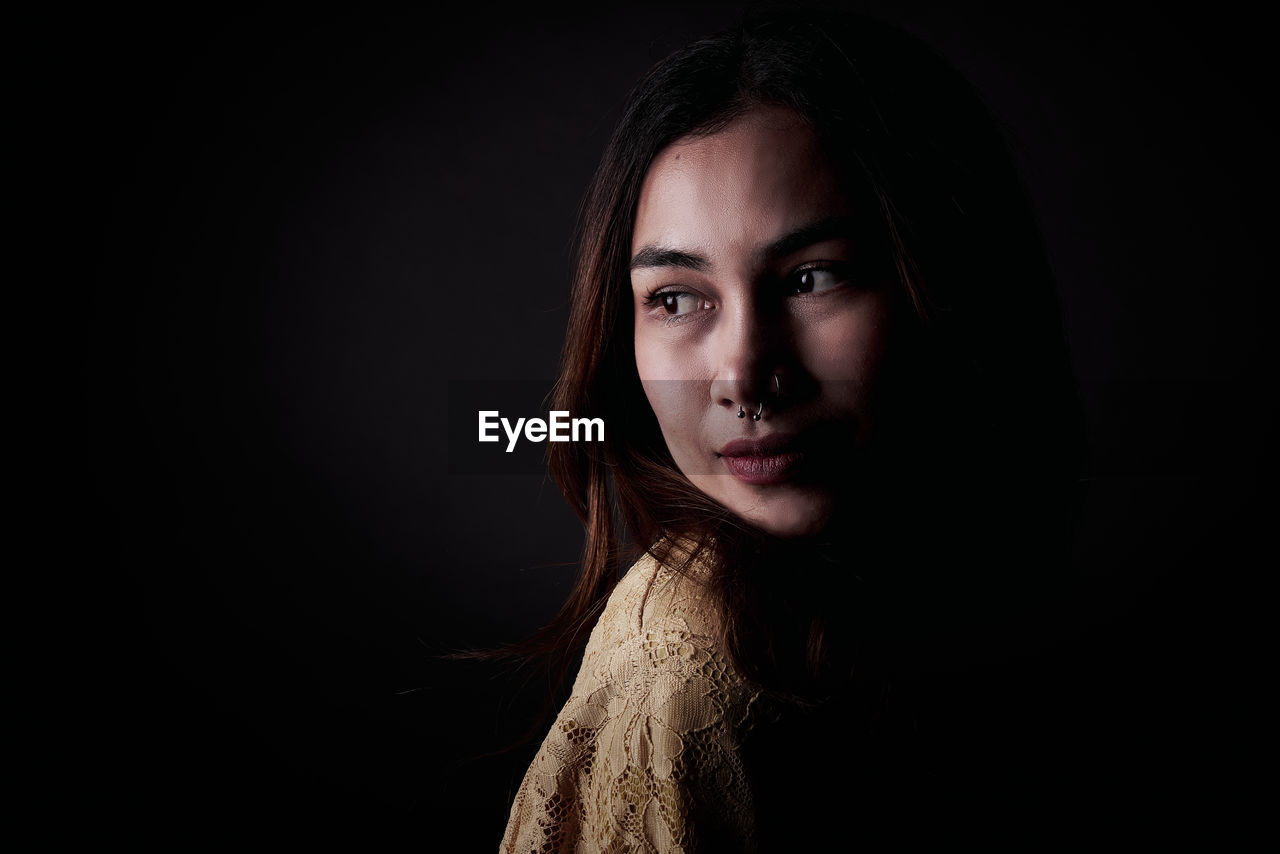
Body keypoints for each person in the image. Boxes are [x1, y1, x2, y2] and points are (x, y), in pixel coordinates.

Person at [500, 8, 1081, 851]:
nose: (742, 375)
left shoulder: (972, 591)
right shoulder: (691, 664)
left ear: (947, 284)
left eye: (813, 278)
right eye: (675, 297)